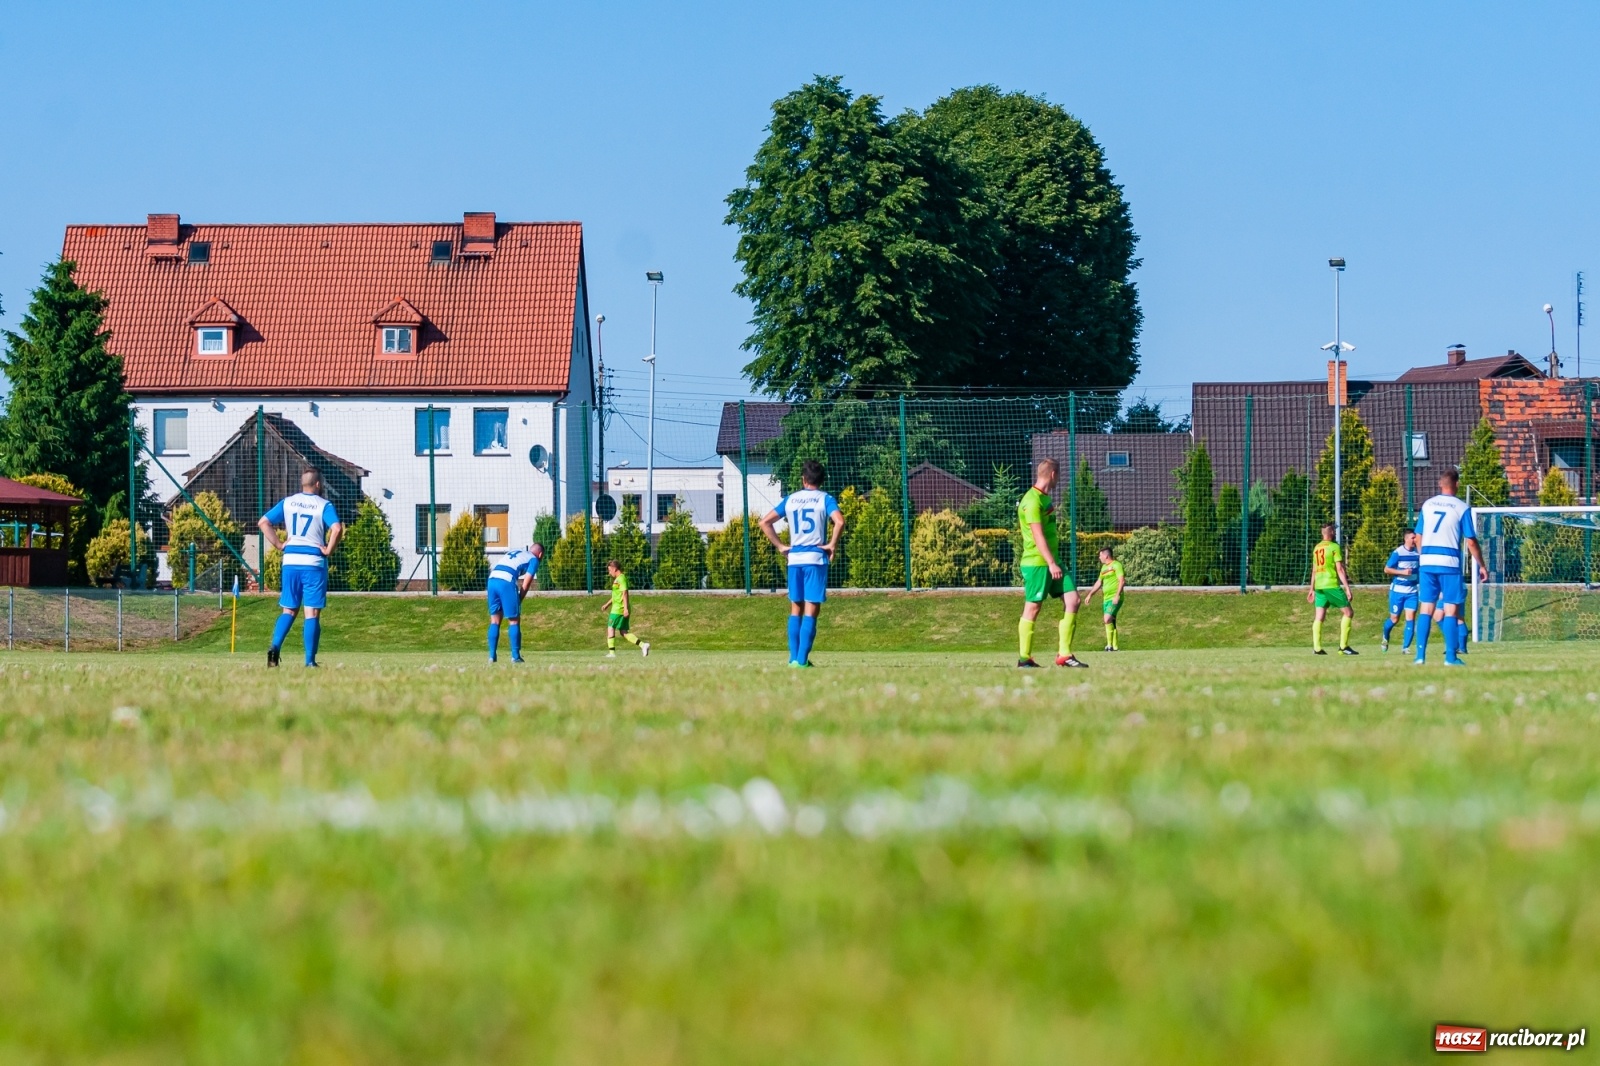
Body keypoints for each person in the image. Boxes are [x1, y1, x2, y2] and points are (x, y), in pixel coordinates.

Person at [760, 459, 844, 668]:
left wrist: (781, 546)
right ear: (821, 480)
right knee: (811, 608)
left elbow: (764, 522)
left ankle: (793, 659)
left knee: (795, 607)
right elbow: (840, 521)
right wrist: (832, 544)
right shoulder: (825, 499)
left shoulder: (791, 499)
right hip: (815, 558)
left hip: (795, 559)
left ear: (803, 479)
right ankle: (803, 659)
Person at [259, 469, 343, 668]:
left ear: (302, 484)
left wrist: (279, 545)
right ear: (318, 485)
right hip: (313, 562)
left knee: (288, 610)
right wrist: (329, 549)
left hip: (291, 561)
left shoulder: (288, 502)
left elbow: (263, 522)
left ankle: (275, 647)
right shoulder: (324, 505)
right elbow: (337, 528)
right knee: (311, 613)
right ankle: (309, 661)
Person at [1016, 458, 1087, 668]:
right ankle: (1024, 658)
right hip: (1038, 563)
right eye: (1060, 475)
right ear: (1053, 475)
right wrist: (1050, 563)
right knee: (1033, 607)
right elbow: (1038, 536)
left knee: (1073, 600)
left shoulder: (1043, 498)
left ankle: (1064, 655)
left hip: (1053, 561)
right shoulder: (1032, 501)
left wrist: (1054, 562)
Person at [1414, 469, 1488, 666]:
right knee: (1450, 610)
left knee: (1426, 609)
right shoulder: (1461, 507)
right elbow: (1471, 541)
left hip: (1427, 562)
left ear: (1440, 484)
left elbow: (1418, 537)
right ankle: (1450, 658)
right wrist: (1482, 565)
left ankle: (1419, 657)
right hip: (1449, 563)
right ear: (1457, 484)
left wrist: (1424, 557)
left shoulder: (1427, 505)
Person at [487, 543, 543, 663]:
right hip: (506, 580)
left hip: (492, 579)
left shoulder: (518, 551)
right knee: (514, 620)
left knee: (495, 620)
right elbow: (526, 583)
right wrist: (519, 600)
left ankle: (492, 656)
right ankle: (515, 656)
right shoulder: (534, 560)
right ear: (540, 554)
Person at [1308, 522, 1357, 656]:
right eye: (1333, 531)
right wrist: (1347, 588)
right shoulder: (1334, 547)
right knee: (1348, 613)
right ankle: (1343, 647)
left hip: (1319, 586)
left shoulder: (1317, 548)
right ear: (1329, 533)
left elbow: (1314, 570)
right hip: (1331, 585)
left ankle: (1317, 648)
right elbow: (1340, 569)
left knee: (1319, 617)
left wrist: (1311, 588)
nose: (1335, 533)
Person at [1381, 530, 1421, 653]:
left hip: (1412, 592)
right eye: (1413, 538)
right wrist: (1402, 572)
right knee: (1394, 619)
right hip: (1397, 591)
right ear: (1406, 539)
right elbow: (1387, 569)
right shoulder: (1398, 552)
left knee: (1411, 618)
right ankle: (1385, 636)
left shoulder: (1419, 553)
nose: (1416, 540)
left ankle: (1406, 647)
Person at [1082, 545, 1126, 651]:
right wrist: (1090, 594)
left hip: (1114, 598)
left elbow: (1122, 581)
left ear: (1106, 556)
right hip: (1106, 599)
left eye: (1100, 555)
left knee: (1106, 619)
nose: (1099, 558)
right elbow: (1099, 582)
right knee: (1112, 621)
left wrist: (1117, 595)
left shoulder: (1116, 565)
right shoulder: (1104, 568)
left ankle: (1109, 645)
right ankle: (1115, 647)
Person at [605, 559, 650, 659]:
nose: (609, 573)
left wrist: (625, 609)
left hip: (619, 609)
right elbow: (617, 595)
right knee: (623, 632)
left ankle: (612, 654)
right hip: (618, 608)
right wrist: (607, 604)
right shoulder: (617, 580)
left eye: (610, 570)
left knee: (610, 627)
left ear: (615, 568)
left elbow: (625, 593)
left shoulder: (621, 578)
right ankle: (643, 645)